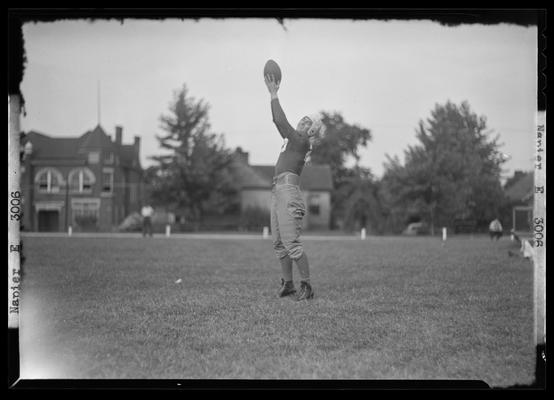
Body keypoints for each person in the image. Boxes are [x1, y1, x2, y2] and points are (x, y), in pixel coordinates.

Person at [264, 73, 325, 301]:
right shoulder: (292, 141)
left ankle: (307, 286)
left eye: (308, 122)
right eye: (302, 119)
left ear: (312, 132)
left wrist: (273, 94)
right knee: (279, 243)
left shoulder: (301, 141)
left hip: (288, 192)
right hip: (277, 191)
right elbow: (280, 123)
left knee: (291, 243)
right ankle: (288, 284)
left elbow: (280, 121)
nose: (302, 121)